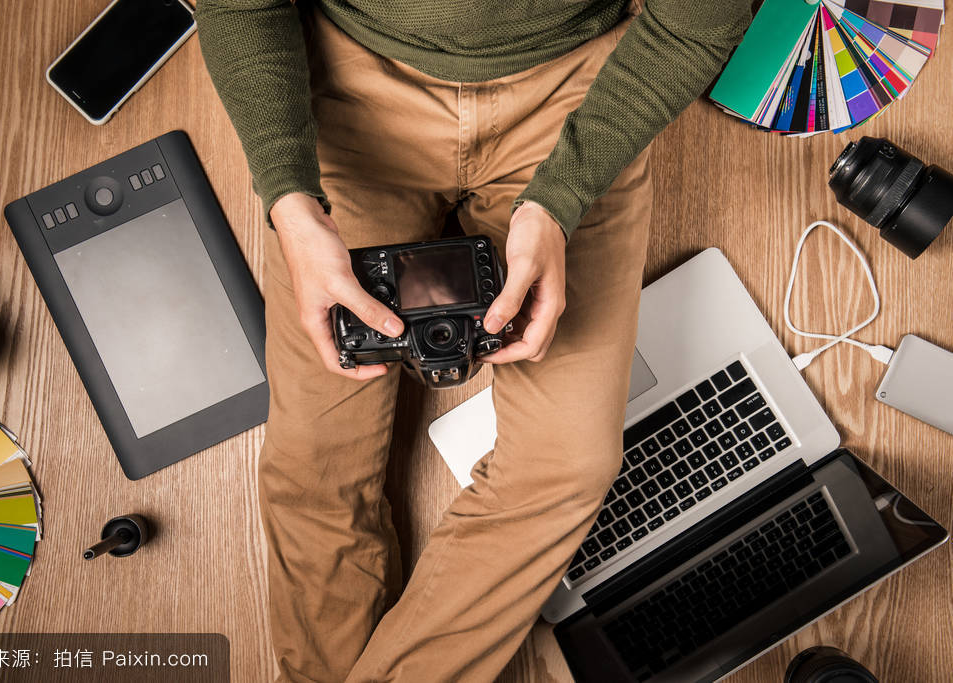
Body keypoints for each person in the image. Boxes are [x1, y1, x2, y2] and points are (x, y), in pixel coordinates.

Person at [195, 1, 751, 680]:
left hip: (573, 95)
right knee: (315, 463)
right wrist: (290, 200)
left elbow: (692, 23)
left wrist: (560, 197)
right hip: (350, 88)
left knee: (565, 465)